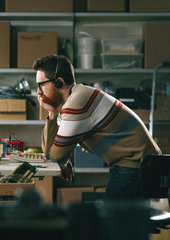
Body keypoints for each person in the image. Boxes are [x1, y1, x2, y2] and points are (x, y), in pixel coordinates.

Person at [33, 54, 161, 199]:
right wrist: (52, 113)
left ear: (59, 82)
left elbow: (55, 156)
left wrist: (62, 160)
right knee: (116, 219)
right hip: (134, 165)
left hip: (136, 166)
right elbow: (50, 153)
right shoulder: (73, 100)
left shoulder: (77, 102)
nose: (38, 92)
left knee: (111, 220)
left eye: (41, 85)